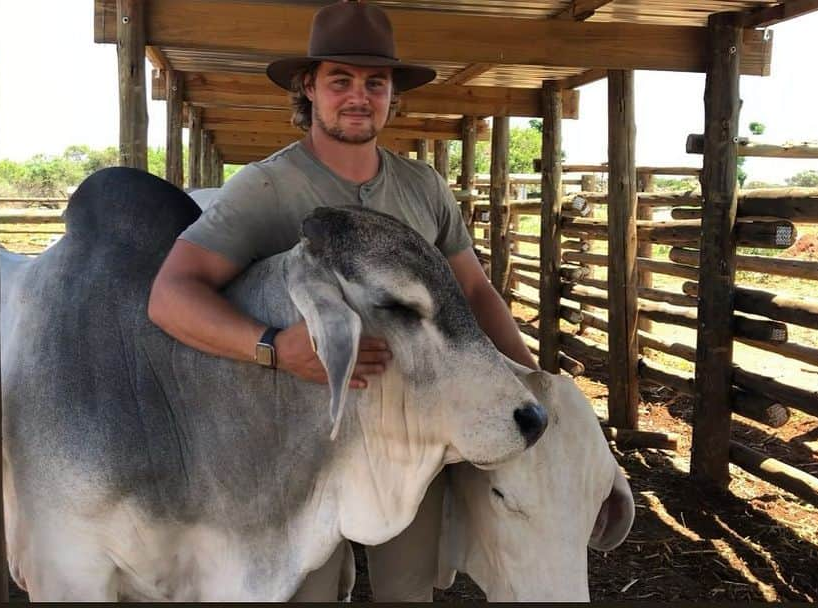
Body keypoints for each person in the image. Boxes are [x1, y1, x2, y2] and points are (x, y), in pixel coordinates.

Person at [149, 1, 538, 599]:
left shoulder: (423, 188)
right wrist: (274, 348)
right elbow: (171, 295)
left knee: (407, 591)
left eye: (374, 83)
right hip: (304, 444)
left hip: (412, 433)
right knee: (311, 593)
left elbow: (475, 292)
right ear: (309, 87)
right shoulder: (266, 187)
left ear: (391, 94)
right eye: (340, 80)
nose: (359, 96)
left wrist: (531, 381)